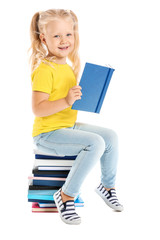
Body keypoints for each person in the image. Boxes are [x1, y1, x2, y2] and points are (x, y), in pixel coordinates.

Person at [29, 9, 123, 225]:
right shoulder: (45, 69)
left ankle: (107, 187)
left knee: (111, 136)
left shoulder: (69, 67)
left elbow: (68, 101)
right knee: (95, 143)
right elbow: (38, 109)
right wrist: (67, 101)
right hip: (47, 133)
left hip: (67, 126)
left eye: (68, 34)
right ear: (44, 39)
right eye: (56, 36)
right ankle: (65, 196)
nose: (64, 40)